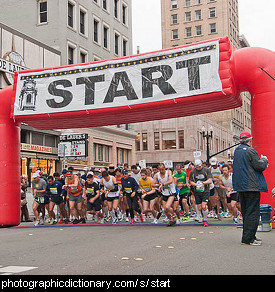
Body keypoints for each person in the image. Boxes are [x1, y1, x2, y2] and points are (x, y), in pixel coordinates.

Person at [233, 132, 268, 246]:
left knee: (246, 211)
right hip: (252, 185)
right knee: (253, 212)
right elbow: (259, 166)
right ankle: (249, 239)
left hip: (241, 186)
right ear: (250, 140)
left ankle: (249, 236)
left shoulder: (237, 151)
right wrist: (264, 160)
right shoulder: (250, 151)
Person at [189, 159, 213, 227]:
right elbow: (190, 181)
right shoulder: (193, 171)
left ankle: (205, 219)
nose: (198, 168)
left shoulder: (206, 170)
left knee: (203, 206)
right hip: (197, 191)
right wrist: (196, 184)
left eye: (199, 166)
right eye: (197, 167)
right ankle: (200, 216)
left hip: (205, 190)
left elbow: (210, 180)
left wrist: (203, 183)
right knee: (199, 207)